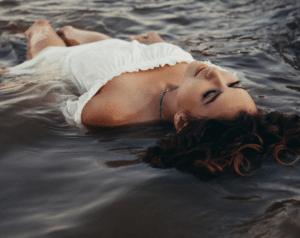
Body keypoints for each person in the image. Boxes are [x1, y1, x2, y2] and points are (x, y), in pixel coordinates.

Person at [1, 20, 300, 176]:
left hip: (62, 58)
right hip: (111, 46)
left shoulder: (115, 113)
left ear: (182, 121)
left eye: (211, 95)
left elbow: (51, 91)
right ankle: (67, 31)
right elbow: (203, 71)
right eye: (234, 83)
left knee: (41, 26)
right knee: (68, 29)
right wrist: (160, 45)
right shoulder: (205, 75)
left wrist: (15, 78)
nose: (217, 75)